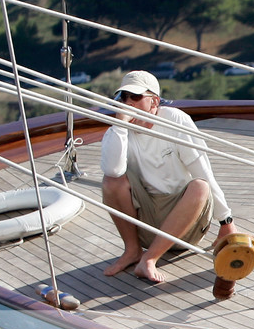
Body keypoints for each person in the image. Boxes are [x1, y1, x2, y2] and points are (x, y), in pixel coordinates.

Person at [100, 70, 238, 287]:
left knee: (200, 187)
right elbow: (113, 171)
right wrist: (120, 126)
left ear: (154, 102)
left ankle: (150, 258)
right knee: (111, 182)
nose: (128, 103)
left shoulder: (175, 120)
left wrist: (226, 222)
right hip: (147, 221)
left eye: (135, 97)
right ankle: (133, 250)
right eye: (123, 97)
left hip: (186, 227)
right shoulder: (118, 132)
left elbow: (204, 171)